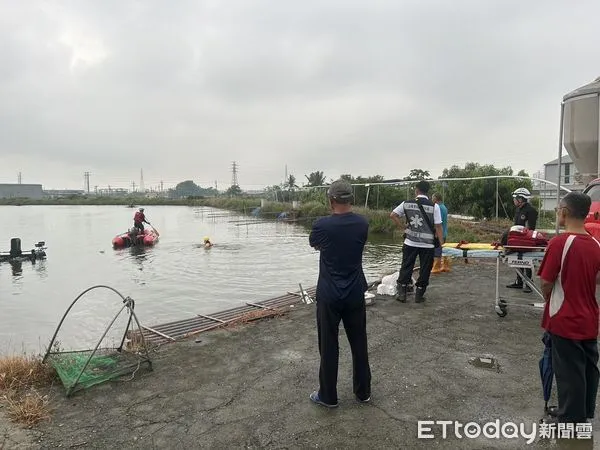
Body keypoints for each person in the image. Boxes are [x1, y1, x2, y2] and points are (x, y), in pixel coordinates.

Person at [538, 192, 600, 424]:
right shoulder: (595, 244)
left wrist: (549, 298)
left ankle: (569, 420)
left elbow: (546, 282)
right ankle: (582, 412)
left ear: (564, 211)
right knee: (587, 369)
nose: (557, 213)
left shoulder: (560, 243)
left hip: (564, 317)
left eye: (558, 209)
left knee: (569, 372)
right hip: (589, 318)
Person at [308, 179, 371, 408]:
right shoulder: (362, 223)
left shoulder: (321, 225)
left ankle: (328, 396)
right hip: (355, 291)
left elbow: (315, 244)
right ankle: (363, 392)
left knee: (328, 345)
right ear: (351, 199)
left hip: (329, 294)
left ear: (331, 200)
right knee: (359, 342)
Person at [390, 180, 444, 303]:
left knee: (406, 267)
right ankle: (419, 295)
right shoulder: (434, 206)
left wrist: (403, 227)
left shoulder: (406, 203)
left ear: (416, 190)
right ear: (427, 191)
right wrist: (442, 243)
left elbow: (393, 215)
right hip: (428, 244)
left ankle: (402, 294)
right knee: (425, 269)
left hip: (410, 242)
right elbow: (438, 226)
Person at [506, 187, 538, 293]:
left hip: (526, 240)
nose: (513, 200)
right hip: (517, 239)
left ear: (521, 199)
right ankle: (519, 282)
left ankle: (529, 283)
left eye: (515, 198)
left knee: (527, 261)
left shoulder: (531, 211)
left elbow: (530, 228)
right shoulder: (518, 209)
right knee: (518, 259)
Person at [431, 192, 450, 274]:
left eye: (432, 197)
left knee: (437, 250)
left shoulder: (438, 207)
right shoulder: (444, 207)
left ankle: (436, 268)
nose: (431, 199)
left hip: (439, 233)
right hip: (444, 232)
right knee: (443, 250)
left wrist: (436, 233)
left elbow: (438, 222)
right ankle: (445, 266)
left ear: (436, 198)